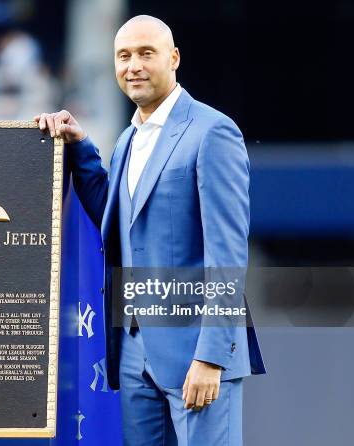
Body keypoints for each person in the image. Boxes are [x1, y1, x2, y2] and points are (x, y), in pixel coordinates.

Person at [36, 15, 265, 446]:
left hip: (196, 353)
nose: (134, 66)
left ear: (174, 58)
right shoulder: (127, 139)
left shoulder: (212, 131)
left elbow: (228, 252)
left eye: (146, 53)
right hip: (134, 354)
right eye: (124, 56)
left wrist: (212, 357)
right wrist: (79, 147)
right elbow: (116, 221)